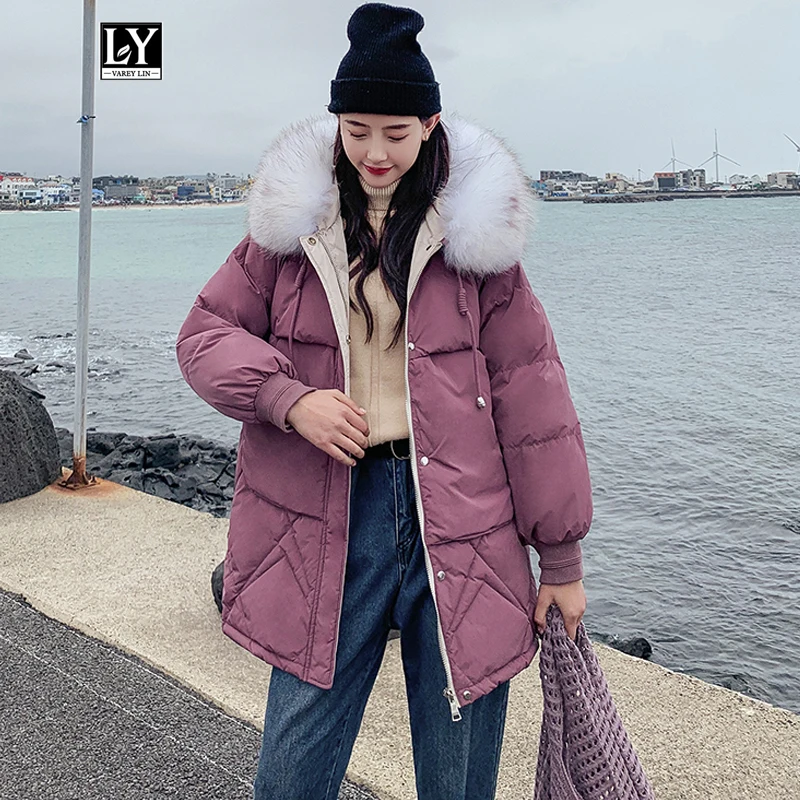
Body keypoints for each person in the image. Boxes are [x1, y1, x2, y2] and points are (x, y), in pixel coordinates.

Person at [175, 3, 593, 798]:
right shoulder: (291, 233)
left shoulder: (478, 245)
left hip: (463, 520)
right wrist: (289, 398)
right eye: (356, 129)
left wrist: (562, 559)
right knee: (291, 772)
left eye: (396, 133)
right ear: (335, 123)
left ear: (430, 126)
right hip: (326, 506)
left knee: (458, 778)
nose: (374, 152)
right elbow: (203, 336)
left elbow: (534, 400)